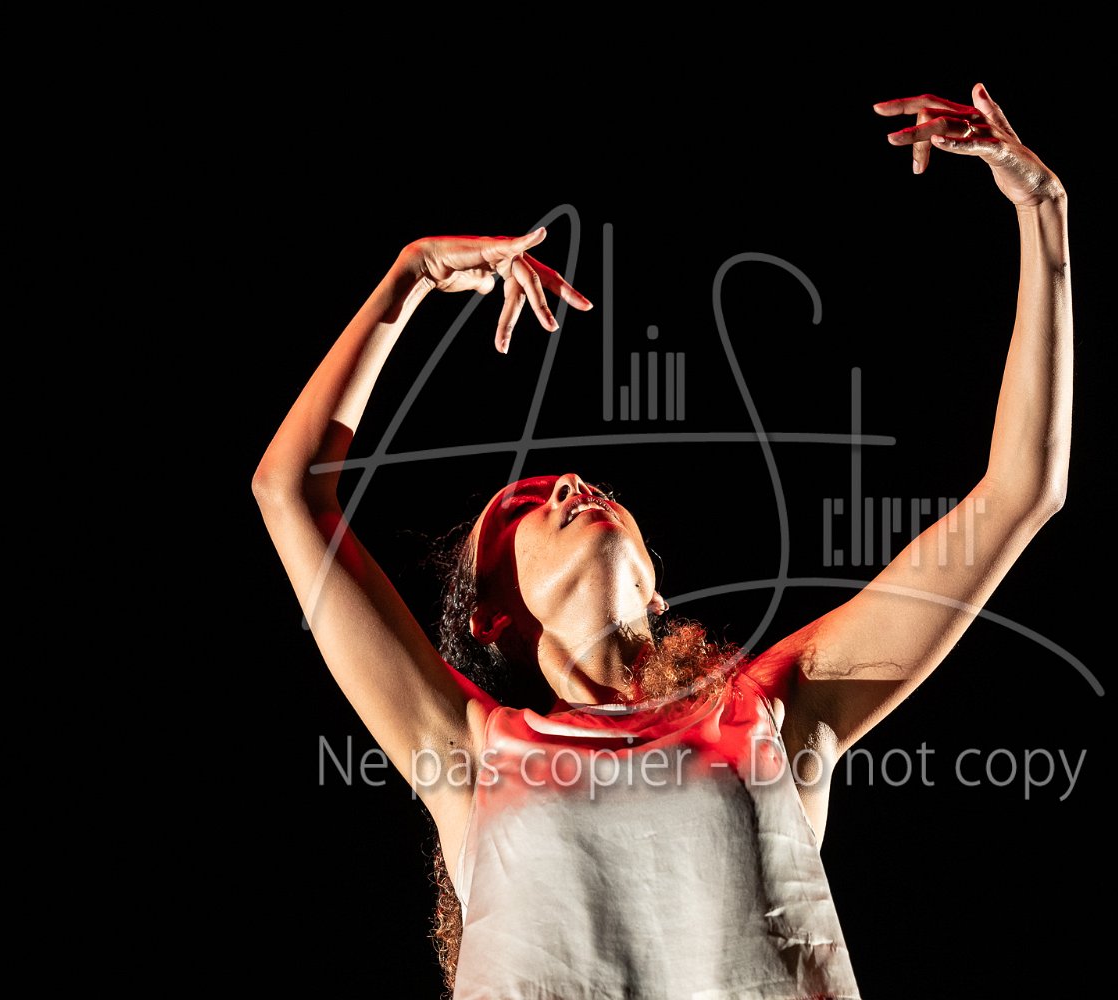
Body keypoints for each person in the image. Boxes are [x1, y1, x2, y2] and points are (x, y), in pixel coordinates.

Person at [253, 82, 1071, 999]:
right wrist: (408, 280)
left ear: (654, 585)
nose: (570, 482)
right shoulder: (470, 753)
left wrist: (1043, 213)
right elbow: (288, 493)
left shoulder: (769, 713)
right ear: (490, 617)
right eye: (523, 505)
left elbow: (1020, 492)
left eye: (589, 489)